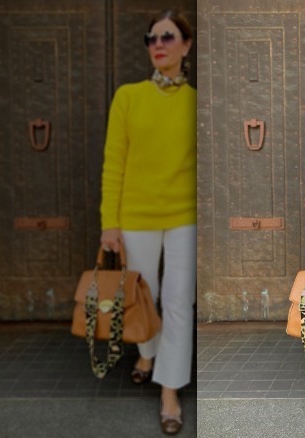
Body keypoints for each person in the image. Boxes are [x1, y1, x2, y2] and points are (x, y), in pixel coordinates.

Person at [99, 9, 196, 435]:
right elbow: (113, 164)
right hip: (135, 215)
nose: (158, 44)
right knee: (144, 296)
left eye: (168, 37)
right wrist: (109, 223)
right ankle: (147, 353)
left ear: (186, 45)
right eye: (151, 38)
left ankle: (169, 391)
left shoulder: (197, 102)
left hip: (184, 216)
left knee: (177, 301)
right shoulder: (128, 96)